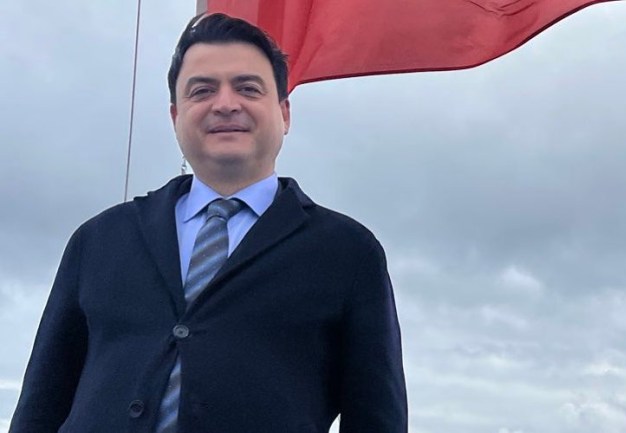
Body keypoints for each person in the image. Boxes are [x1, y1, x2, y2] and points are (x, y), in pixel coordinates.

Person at [10, 13, 407, 433]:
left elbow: (376, 416)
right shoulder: (100, 239)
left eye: (248, 88)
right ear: (175, 115)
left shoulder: (346, 251)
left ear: (284, 113)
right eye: (202, 90)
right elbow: (42, 403)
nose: (225, 104)